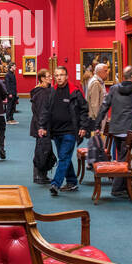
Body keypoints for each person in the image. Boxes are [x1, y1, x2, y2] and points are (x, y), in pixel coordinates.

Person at [37, 66, 90, 196]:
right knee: (63, 157)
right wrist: (42, 126)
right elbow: (45, 111)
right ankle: (72, 182)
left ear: (66, 76)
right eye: (57, 75)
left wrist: (83, 127)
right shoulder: (52, 91)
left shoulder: (74, 91)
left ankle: (56, 183)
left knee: (64, 156)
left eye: (61, 75)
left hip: (71, 131)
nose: (59, 77)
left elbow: (84, 110)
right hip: (56, 132)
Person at [96, 66, 132, 200]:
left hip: (115, 129)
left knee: (121, 156)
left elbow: (104, 107)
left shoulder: (114, 88)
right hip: (128, 129)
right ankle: (117, 188)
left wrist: (97, 124)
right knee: (124, 160)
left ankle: (120, 186)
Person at [29, 71, 56, 184]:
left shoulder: (46, 90)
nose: (51, 78)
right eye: (48, 76)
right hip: (41, 125)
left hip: (43, 124)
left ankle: (41, 175)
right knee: (42, 150)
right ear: (42, 78)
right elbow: (41, 111)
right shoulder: (41, 93)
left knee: (44, 149)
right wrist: (42, 126)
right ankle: (39, 176)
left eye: (50, 76)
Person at [84, 62, 109, 158]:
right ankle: (96, 162)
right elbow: (94, 104)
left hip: (99, 119)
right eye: (105, 71)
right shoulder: (95, 83)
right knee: (97, 142)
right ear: (99, 72)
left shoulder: (99, 82)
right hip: (97, 119)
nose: (107, 73)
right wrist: (98, 122)